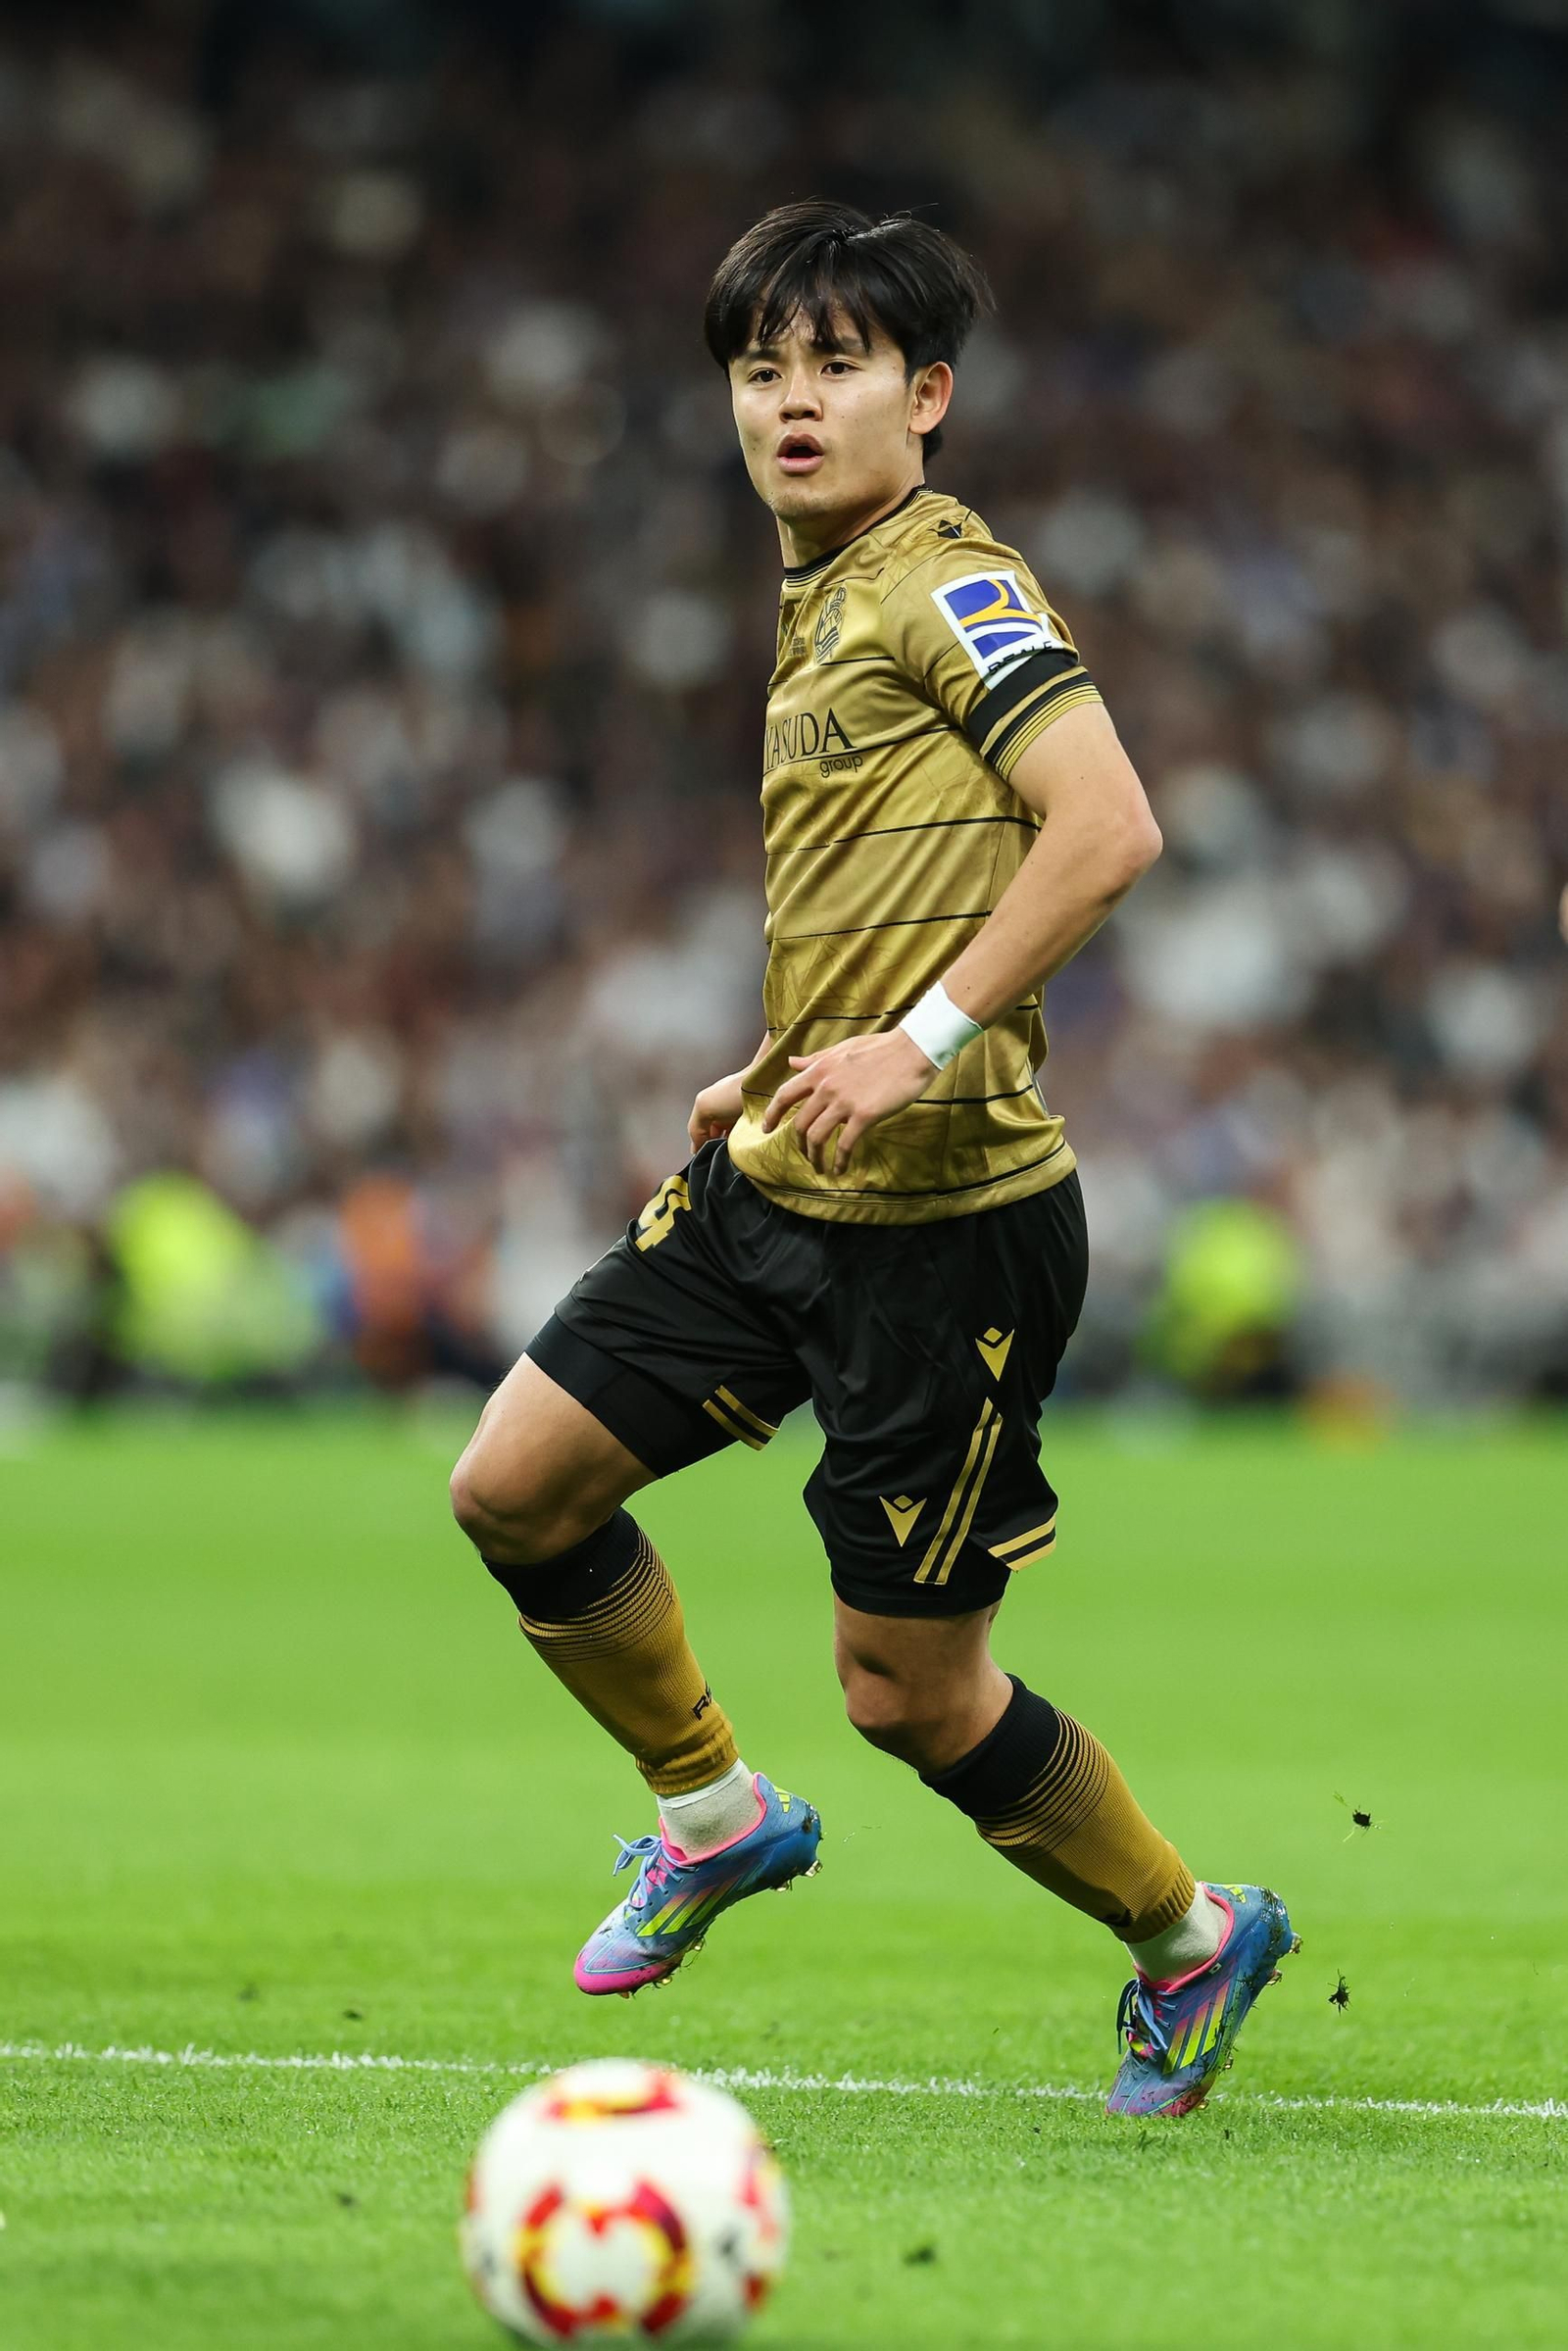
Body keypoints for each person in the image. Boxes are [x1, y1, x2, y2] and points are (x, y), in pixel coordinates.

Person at [450, 199, 1297, 2119]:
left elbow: (1102, 826)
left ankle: (1186, 1934)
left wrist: (909, 1048)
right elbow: (897, 879)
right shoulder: (819, 596)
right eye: (758, 370)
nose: (788, 403)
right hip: (780, 1183)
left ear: (926, 394)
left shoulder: (946, 582)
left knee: (908, 1696)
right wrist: (778, 1060)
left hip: (948, 1232)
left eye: (832, 364)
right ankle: (711, 1812)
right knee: (512, 1488)